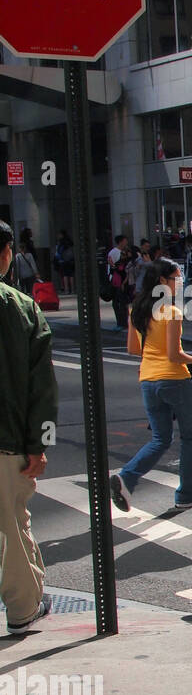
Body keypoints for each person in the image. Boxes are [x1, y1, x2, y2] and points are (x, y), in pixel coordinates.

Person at [109, 258, 192, 513]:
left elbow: (132, 349)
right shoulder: (171, 312)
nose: (180, 282)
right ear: (163, 281)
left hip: (148, 380)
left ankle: (127, 477)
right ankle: (185, 494)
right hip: (174, 379)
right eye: (176, 278)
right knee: (189, 437)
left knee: (160, 438)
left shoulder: (137, 309)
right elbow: (175, 355)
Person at [0, 220, 56, 633]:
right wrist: (40, 445)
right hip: (7, 442)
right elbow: (42, 389)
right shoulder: (22, 309)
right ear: (6, 254)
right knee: (12, 529)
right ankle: (22, 611)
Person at [107, 234, 130, 330]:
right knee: (118, 301)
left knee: (122, 301)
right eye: (125, 241)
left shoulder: (124, 252)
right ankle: (121, 322)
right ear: (120, 241)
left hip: (122, 279)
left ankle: (123, 322)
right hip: (117, 280)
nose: (126, 243)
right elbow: (113, 267)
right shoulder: (114, 253)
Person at [55, 230, 75, 294]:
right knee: (71, 275)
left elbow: (58, 253)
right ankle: (72, 289)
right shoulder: (70, 241)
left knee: (65, 275)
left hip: (63, 261)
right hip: (71, 260)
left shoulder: (61, 243)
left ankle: (67, 289)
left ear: (61, 235)